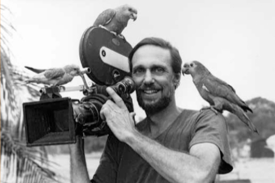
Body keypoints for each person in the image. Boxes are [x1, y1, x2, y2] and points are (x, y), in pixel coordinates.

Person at [69, 37, 233, 183]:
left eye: (158, 70)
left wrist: (131, 135)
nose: (147, 80)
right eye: (139, 71)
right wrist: (74, 139)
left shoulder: (206, 120)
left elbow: (199, 176)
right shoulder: (120, 139)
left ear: (176, 79)